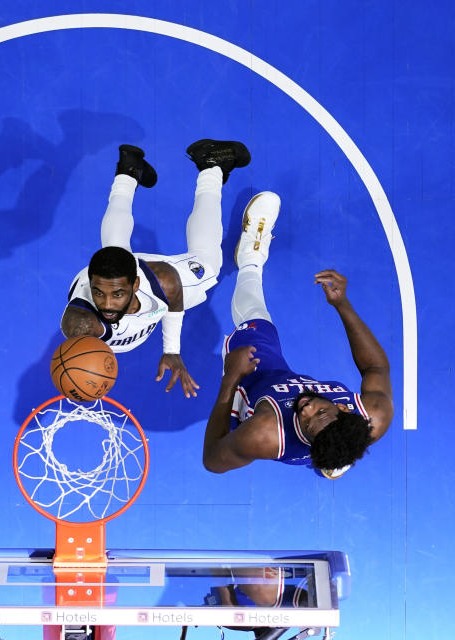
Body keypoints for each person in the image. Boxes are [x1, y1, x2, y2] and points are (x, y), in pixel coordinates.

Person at [202, 192, 393, 477]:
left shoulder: (264, 434)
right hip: (307, 408)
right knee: (339, 447)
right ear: (344, 408)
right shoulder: (373, 417)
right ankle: (334, 457)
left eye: (307, 423)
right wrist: (343, 305)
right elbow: (375, 367)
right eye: (320, 413)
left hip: (256, 385)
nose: (305, 411)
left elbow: (213, 460)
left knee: (256, 320)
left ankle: (250, 259)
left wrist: (231, 379)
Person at [61, 139, 250, 397]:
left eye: (117, 295)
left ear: (135, 285)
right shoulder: (82, 324)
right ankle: (129, 171)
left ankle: (211, 165)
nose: (105, 305)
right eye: (99, 294)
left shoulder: (164, 282)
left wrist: (171, 349)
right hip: (106, 274)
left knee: (209, 263)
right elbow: (72, 359)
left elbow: (174, 302)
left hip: (150, 277)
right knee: (114, 247)